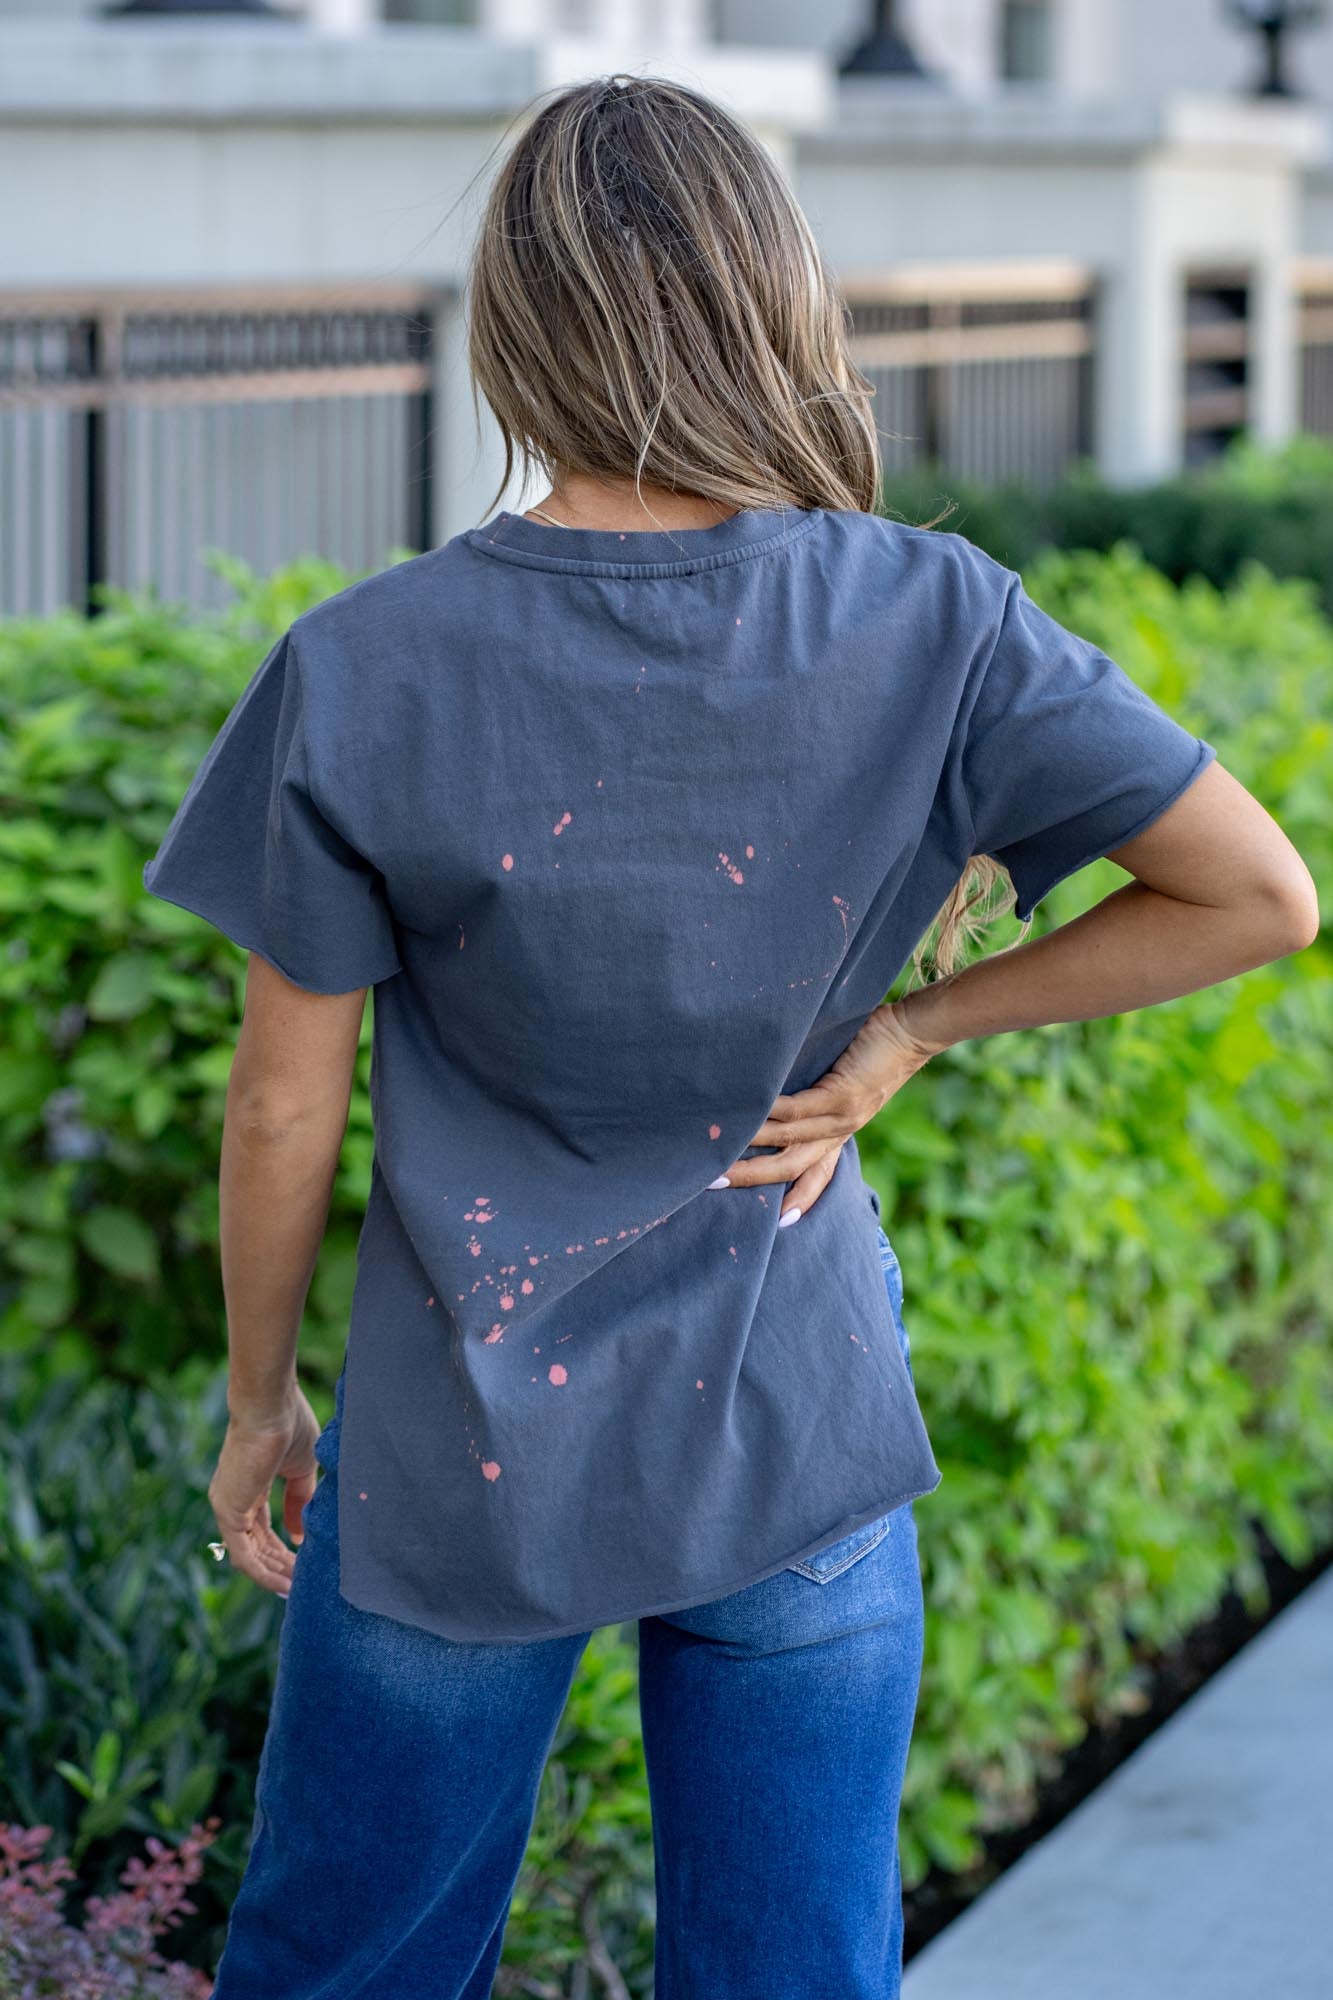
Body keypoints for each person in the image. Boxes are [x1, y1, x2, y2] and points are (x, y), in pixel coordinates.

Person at [140, 72, 1318, 2000]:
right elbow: (1258, 894)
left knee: (346, 1973)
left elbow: (283, 1110)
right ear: (774, 296)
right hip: (795, 1418)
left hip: (453, 1456)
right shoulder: (937, 617)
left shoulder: (362, 666)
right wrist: (913, 1031)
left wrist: (261, 1401)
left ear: (514, 323)